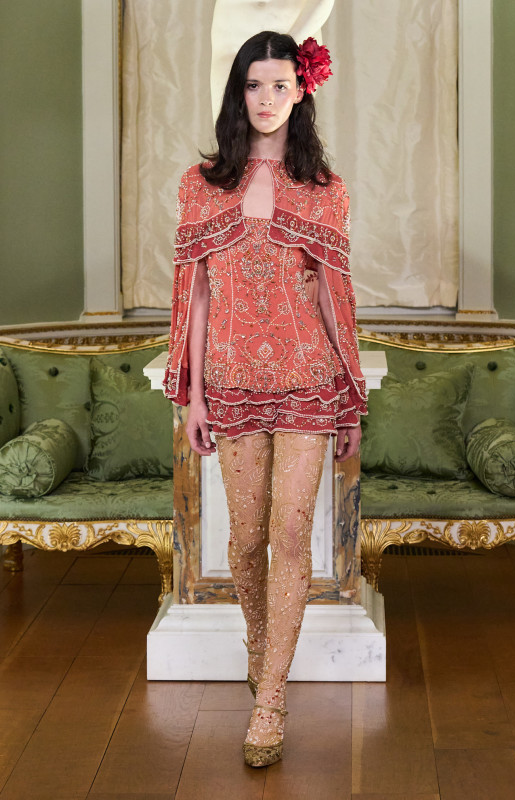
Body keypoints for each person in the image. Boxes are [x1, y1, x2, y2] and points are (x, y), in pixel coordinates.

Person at [163, 30, 368, 768]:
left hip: (308, 381)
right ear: (238, 92)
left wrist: (349, 398)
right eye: (255, 85)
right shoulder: (201, 184)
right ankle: (260, 645)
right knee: (246, 540)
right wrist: (192, 397)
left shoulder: (325, 189)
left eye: (281, 85)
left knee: (290, 533)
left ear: (302, 91)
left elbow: (336, 299)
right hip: (228, 383)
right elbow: (195, 296)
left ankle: (271, 697)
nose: (267, 99)